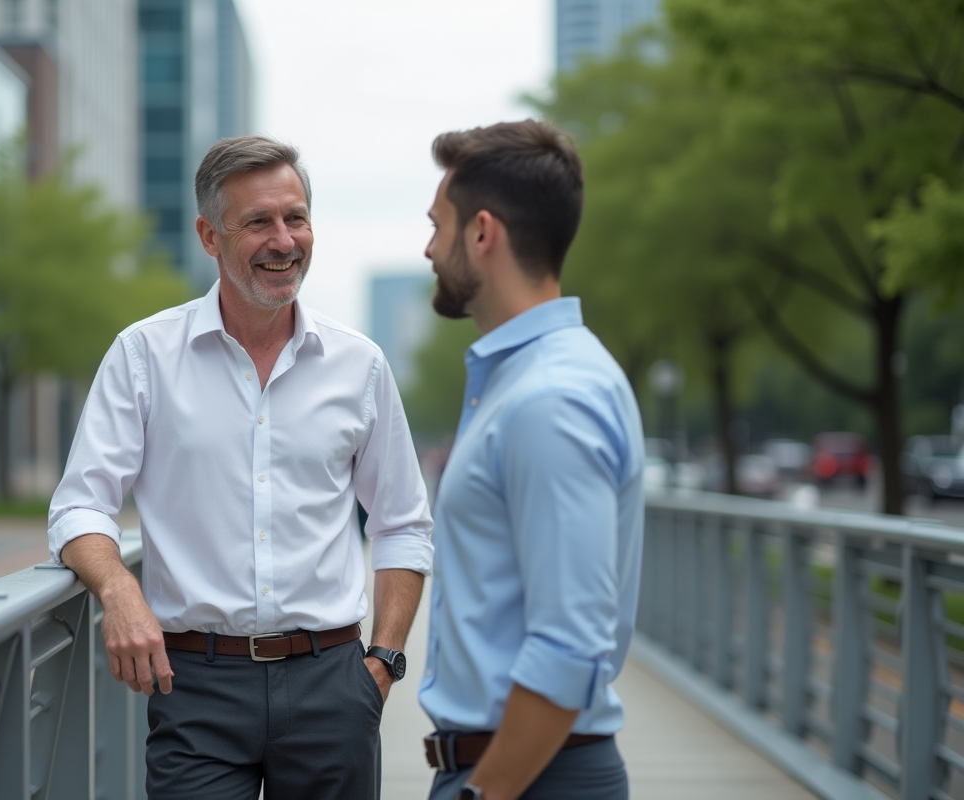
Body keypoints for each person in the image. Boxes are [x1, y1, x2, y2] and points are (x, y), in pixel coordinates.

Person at [49, 135, 433, 799]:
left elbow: (402, 521)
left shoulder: (359, 364)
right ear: (209, 236)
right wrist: (119, 591)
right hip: (195, 686)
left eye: (297, 218)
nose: (284, 240)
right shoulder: (144, 357)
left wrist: (385, 661)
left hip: (333, 684)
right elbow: (80, 505)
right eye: (258, 222)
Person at [417, 120, 645, 800]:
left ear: (482, 233)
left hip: (528, 780)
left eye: (438, 224)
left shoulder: (552, 399)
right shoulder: (527, 382)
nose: (428, 248)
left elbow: (569, 643)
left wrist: (482, 793)